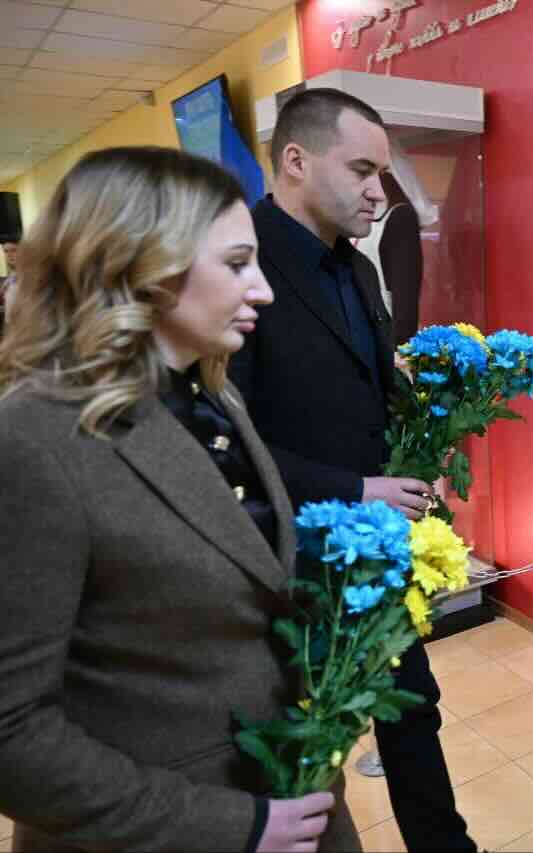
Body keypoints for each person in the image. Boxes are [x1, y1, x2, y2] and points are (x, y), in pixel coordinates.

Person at [0, 146, 357, 852]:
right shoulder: (33, 438)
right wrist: (232, 827)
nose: (264, 291)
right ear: (141, 265)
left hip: (289, 792)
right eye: (236, 264)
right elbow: (11, 731)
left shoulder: (212, 395)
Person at [228, 88, 476, 852]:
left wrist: (431, 421)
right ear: (296, 161)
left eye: (382, 172)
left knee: (411, 707)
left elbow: (367, 396)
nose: (379, 191)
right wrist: (359, 489)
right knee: (306, 746)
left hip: (376, 549)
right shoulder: (241, 269)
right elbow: (234, 444)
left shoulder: (359, 272)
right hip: (289, 561)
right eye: (363, 170)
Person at [0, 235, 18, 334]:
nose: (9, 255)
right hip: (11, 331)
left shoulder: (30, 277)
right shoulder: (9, 280)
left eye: (14, 250)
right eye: (6, 251)